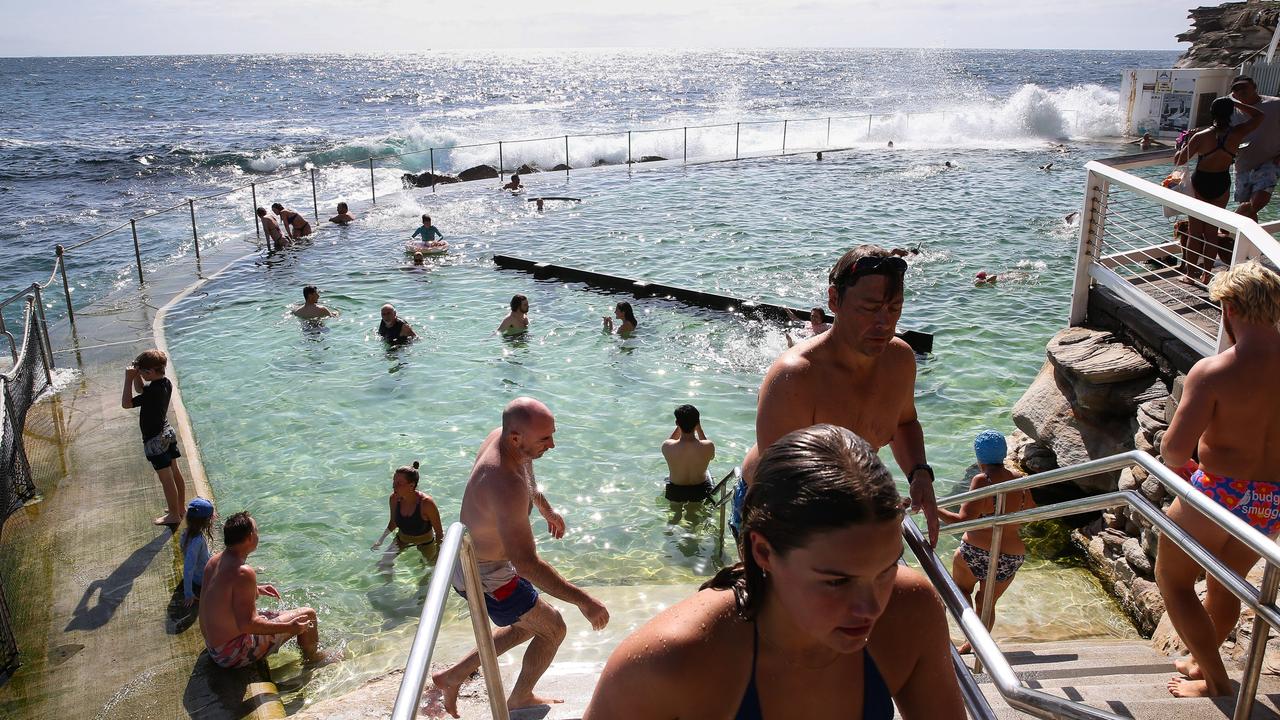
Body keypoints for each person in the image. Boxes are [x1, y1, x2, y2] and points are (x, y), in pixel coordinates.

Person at [583, 425, 964, 720]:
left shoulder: (910, 611)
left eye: (885, 570)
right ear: (763, 551)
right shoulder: (670, 662)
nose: (870, 608)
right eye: (836, 581)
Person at [739, 245, 940, 546]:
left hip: (849, 506)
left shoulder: (900, 360)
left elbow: (903, 423)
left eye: (894, 308)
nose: (884, 323)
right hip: (775, 507)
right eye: (869, 308)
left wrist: (919, 473)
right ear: (835, 300)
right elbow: (780, 481)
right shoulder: (796, 377)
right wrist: (867, 510)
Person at [431, 398, 609, 717]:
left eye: (552, 435)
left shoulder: (504, 439)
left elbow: (525, 473)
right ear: (516, 437)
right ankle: (519, 698)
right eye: (545, 438)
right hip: (486, 574)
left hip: (473, 559)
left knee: (528, 625)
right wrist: (585, 600)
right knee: (552, 627)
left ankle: (451, 677)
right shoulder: (504, 483)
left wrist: (545, 508)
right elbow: (527, 565)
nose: (553, 444)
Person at [1157, 261, 1280, 699]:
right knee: (1227, 581)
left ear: (1229, 307)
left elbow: (1173, 451)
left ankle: (1216, 681)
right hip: (1271, 500)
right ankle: (1199, 662)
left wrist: (1185, 466)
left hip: (1219, 493)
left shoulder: (1214, 371)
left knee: (1174, 582)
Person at [199, 511, 336, 669]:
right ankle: (312, 659)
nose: (258, 534)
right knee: (308, 615)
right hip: (232, 654)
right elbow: (248, 625)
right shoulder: (243, 571)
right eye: (257, 531)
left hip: (214, 647)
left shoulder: (214, 561)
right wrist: (290, 627)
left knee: (282, 615)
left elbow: (221, 597)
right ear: (250, 537)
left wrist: (257, 589)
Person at [937, 430, 1034, 654]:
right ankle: (977, 645)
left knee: (960, 592)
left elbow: (960, 520)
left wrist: (931, 506)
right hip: (1011, 556)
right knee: (986, 602)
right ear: (1003, 454)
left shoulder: (982, 480)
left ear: (979, 457)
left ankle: (966, 639)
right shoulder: (1019, 481)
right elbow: (1030, 509)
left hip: (976, 551)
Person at [1174, 96, 1263, 284]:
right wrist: (1237, 103)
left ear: (1211, 113)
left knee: (1195, 231)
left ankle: (1190, 275)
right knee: (1212, 232)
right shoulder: (1238, 133)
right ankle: (1207, 274)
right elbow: (1259, 116)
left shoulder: (1201, 136)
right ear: (1231, 113)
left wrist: (1181, 144)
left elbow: (1179, 160)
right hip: (1222, 181)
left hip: (1201, 182)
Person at [121, 349, 186, 526]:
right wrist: (137, 375)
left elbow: (127, 403)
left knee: (166, 478)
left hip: (154, 439)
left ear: (149, 373)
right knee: (175, 471)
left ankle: (173, 515)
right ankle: (180, 508)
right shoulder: (165, 383)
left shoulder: (151, 392)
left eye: (141, 372)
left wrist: (128, 379)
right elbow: (142, 389)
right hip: (167, 432)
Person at [371, 461, 444, 567]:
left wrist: (438, 552)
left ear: (411, 485)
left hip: (425, 542)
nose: (394, 486)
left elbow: (439, 532)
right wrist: (380, 540)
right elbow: (393, 522)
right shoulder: (394, 499)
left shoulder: (426, 503)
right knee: (383, 564)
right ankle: (389, 584)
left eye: (399, 483)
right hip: (402, 539)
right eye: (393, 482)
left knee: (431, 567)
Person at [1230, 76, 1280, 222]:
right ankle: (1247, 243)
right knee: (1247, 209)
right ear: (1233, 94)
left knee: (1257, 202)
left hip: (1270, 160)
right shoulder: (1231, 111)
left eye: (1244, 87)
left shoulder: (1275, 105)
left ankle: (1227, 225)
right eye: (1236, 89)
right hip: (1242, 164)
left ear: (1254, 87)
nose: (1241, 91)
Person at [662, 404, 716, 504]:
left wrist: (680, 425)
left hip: (675, 491)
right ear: (697, 423)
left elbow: (670, 440)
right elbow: (710, 456)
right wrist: (698, 428)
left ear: (677, 423)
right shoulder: (709, 446)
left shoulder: (666, 446)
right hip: (699, 491)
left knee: (674, 516)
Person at [182, 497, 215, 607]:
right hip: (204, 578)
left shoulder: (186, 533)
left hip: (199, 573)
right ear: (206, 521)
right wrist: (188, 594)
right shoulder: (197, 541)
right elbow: (188, 568)